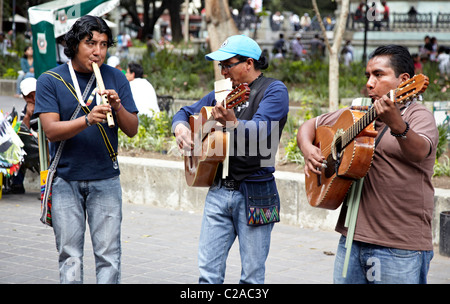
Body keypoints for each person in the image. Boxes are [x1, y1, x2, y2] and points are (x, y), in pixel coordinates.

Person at [297, 45, 438, 284]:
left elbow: (420, 152)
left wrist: (397, 125)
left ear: (403, 80)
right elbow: (309, 126)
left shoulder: (418, 115)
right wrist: (309, 150)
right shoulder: (358, 113)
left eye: (379, 75)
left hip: (398, 247)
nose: (370, 83)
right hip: (351, 239)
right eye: (368, 76)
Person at [172, 35, 289, 284]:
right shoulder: (222, 92)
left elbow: (261, 132)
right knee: (208, 275)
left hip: (257, 191)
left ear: (248, 63)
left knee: (252, 278)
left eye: (228, 65)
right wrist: (181, 129)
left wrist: (232, 122)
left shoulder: (274, 90)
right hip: (217, 189)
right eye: (220, 66)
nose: (223, 71)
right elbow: (183, 112)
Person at [34, 15, 139, 284]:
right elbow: (50, 130)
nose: (97, 51)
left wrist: (117, 107)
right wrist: (88, 119)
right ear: (74, 44)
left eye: (103, 45)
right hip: (65, 180)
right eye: (90, 43)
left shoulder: (115, 77)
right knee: (69, 256)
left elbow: (132, 128)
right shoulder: (50, 79)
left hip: (106, 179)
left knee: (109, 256)